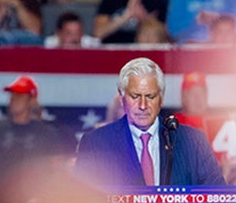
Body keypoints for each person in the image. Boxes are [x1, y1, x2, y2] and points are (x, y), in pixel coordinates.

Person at [76, 57, 224, 186]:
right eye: (135, 96)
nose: (142, 106)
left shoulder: (193, 141)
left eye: (150, 96)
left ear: (162, 98)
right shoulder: (96, 144)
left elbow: (219, 201)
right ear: (122, 99)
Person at [0, 75, 75, 203]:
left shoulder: (47, 133)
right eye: (12, 95)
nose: (13, 100)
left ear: (31, 101)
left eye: (19, 96)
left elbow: (58, 171)